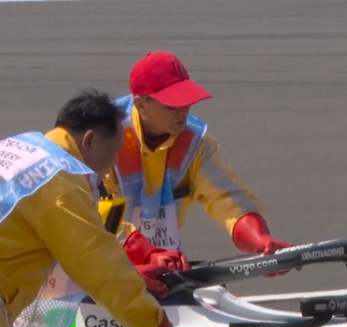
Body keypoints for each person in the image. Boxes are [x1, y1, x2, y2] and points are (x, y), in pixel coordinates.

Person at [0, 88, 215, 327]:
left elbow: (78, 229)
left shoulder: (20, 148)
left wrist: (138, 250)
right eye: (114, 152)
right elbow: (97, 265)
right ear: (89, 141)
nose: (112, 166)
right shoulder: (59, 177)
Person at [102, 51, 292, 275]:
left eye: (186, 101)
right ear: (141, 105)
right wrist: (146, 254)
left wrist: (259, 241)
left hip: (162, 267)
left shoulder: (194, 145)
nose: (183, 111)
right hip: (100, 270)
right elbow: (97, 211)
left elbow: (227, 199)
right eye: (172, 105)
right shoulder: (106, 138)